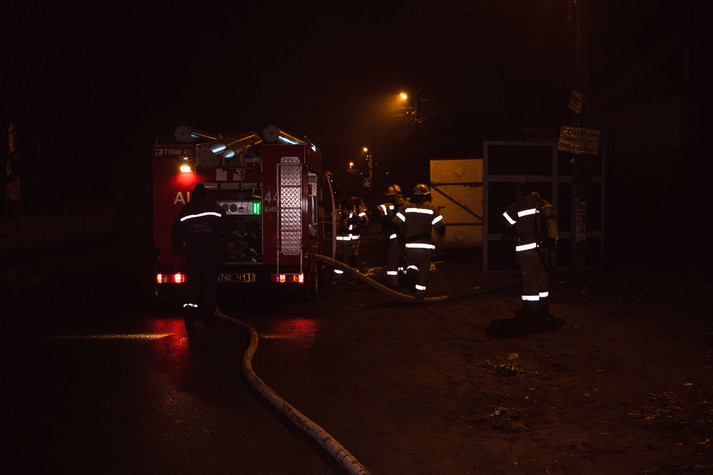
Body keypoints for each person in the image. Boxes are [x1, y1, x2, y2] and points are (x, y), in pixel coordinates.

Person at [171, 183, 228, 331]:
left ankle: (189, 314)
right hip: (212, 257)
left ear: (193, 196)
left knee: (192, 287)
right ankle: (209, 318)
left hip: (194, 258)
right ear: (207, 195)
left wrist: (181, 252)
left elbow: (175, 235)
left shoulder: (185, 212)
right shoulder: (216, 210)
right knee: (209, 288)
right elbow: (226, 230)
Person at [501, 181, 559, 320]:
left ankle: (532, 311)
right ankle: (543, 308)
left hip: (527, 250)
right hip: (543, 249)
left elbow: (506, 220)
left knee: (529, 280)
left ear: (520, 192)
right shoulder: (543, 203)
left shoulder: (520, 205)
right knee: (542, 278)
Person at [393, 184, 445, 297]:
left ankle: (411, 274)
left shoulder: (406, 207)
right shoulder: (431, 208)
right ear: (426, 195)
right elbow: (440, 228)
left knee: (411, 264)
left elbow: (396, 224)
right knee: (424, 270)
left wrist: (400, 236)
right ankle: (420, 293)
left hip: (410, 245)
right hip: (425, 246)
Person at [377, 184, 409, 285]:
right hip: (406, 237)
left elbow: (384, 221)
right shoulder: (408, 205)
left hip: (394, 237)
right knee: (404, 259)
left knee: (393, 261)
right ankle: (404, 279)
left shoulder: (385, 207)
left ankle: (392, 282)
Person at [333, 191, 369, 282]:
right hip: (342, 239)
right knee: (340, 259)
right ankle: (338, 279)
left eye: (354, 200)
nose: (352, 202)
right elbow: (335, 219)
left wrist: (358, 218)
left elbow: (366, 220)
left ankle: (354, 279)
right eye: (351, 200)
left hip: (354, 240)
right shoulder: (340, 207)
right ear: (347, 199)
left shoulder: (358, 208)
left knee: (354, 260)